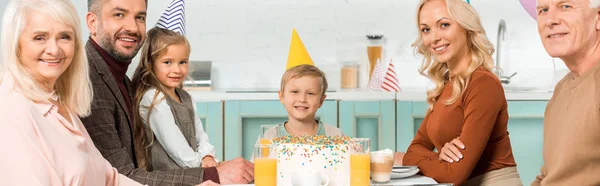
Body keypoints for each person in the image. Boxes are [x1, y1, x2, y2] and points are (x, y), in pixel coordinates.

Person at [80, 0, 253, 184]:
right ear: (92, 22)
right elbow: (122, 177)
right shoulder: (88, 81)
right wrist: (216, 174)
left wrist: (210, 162)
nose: (132, 27)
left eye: (140, 17)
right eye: (119, 14)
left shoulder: (120, 78)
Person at [0, 0, 141, 185]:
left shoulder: (60, 102)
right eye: (40, 37)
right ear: (16, 44)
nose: (54, 49)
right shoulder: (10, 111)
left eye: (64, 37)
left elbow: (109, 179)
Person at [394, 0, 521, 185]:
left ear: (467, 27)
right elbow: (416, 147)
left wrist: (406, 160)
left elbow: (453, 174)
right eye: (426, 29)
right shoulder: (447, 84)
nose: (433, 38)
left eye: (444, 25)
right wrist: (438, 159)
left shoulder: (483, 84)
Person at [532, 0, 600, 185]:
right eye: (543, 10)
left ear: (598, 17)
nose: (550, 20)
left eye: (566, 6)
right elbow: (547, 176)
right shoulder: (561, 90)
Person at [131, 27, 218, 171]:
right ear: (150, 64)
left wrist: (207, 156)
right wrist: (203, 167)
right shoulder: (153, 98)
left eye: (182, 62)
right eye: (167, 62)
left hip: (193, 172)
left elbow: (200, 136)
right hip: (170, 178)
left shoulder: (186, 97)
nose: (177, 70)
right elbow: (177, 149)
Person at [262, 64, 343, 139]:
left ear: (321, 100)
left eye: (310, 93)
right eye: (295, 92)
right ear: (282, 97)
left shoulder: (334, 135)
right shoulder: (271, 136)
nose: (302, 99)